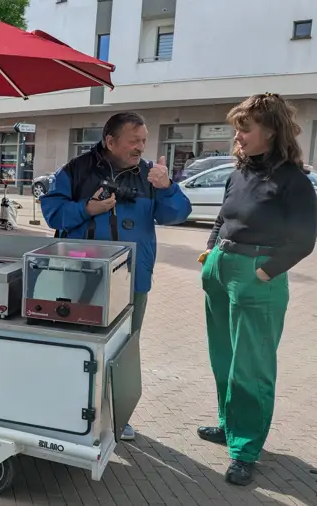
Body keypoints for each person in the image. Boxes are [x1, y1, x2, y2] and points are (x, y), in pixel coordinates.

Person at [40, 112, 191, 442]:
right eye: (133, 140)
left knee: (124, 349)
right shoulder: (76, 170)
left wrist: (166, 187)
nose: (140, 147)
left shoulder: (151, 175)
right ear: (110, 141)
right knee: (78, 344)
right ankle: (71, 410)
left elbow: (178, 214)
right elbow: (51, 210)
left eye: (144, 141)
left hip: (133, 278)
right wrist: (86, 210)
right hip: (81, 278)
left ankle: (116, 417)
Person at [197, 94, 316, 486]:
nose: (238, 136)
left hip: (256, 274)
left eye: (245, 128)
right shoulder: (239, 173)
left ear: (271, 130)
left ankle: (245, 449)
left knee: (251, 367)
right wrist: (211, 250)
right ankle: (229, 424)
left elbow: (303, 239)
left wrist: (266, 272)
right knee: (223, 358)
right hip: (220, 269)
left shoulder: (293, 180)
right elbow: (222, 217)